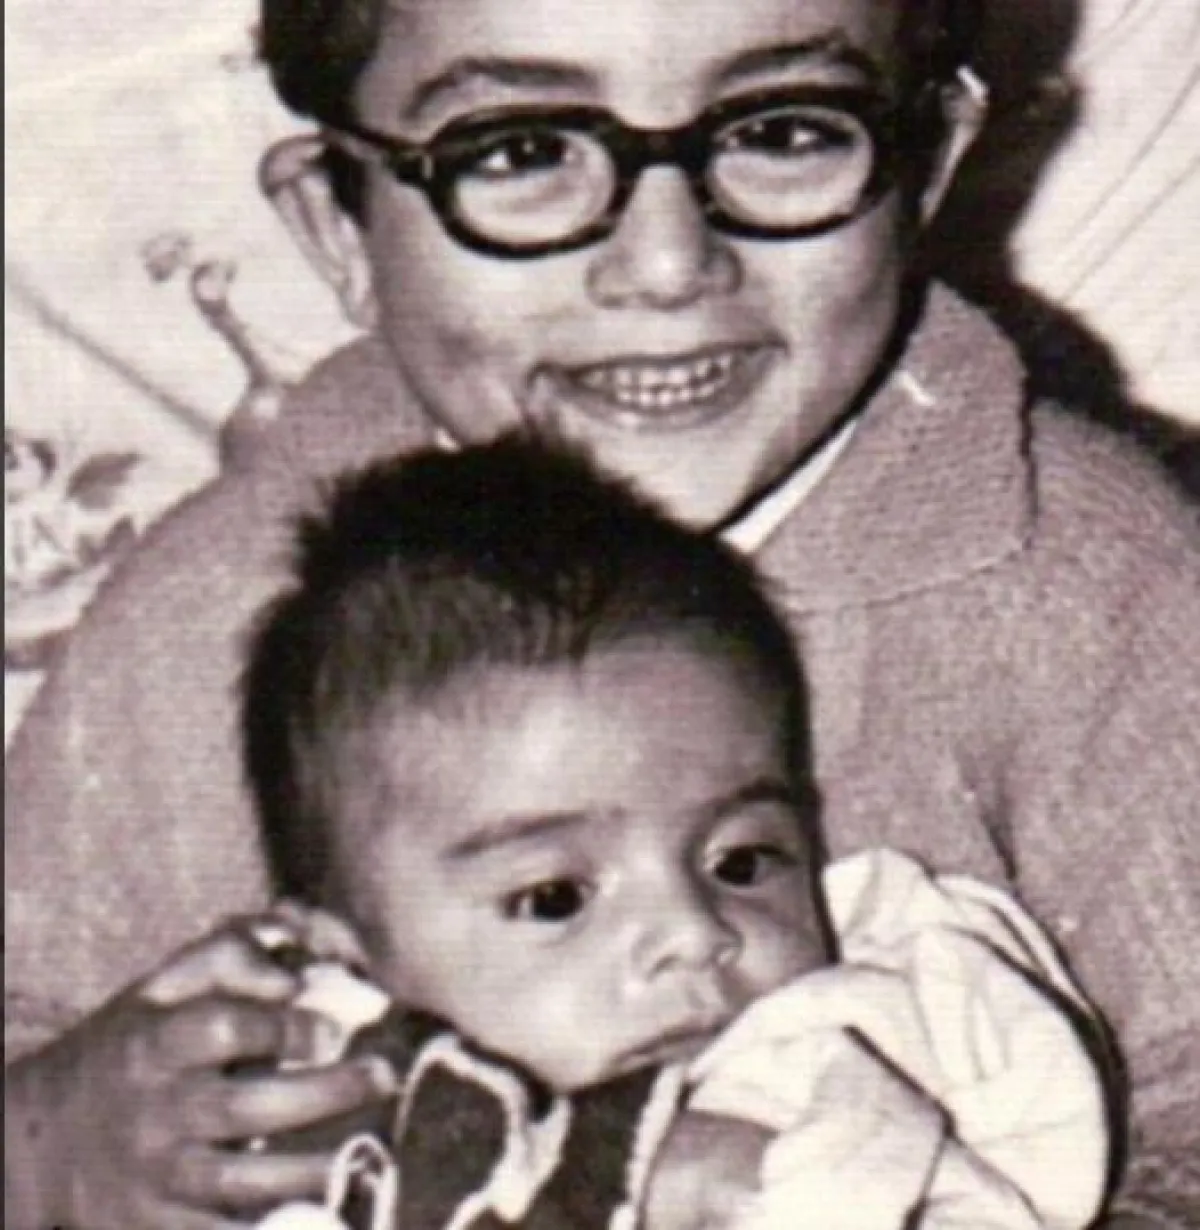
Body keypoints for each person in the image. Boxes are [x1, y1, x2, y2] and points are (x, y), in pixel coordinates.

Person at [4, 0, 1198, 1224]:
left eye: (783, 131)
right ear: (337, 225)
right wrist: (46, 1133)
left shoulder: (1087, 579)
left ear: (927, 163)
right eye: (521, 151)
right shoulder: (220, 604)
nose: (668, 266)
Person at [240, 435, 1106, 1229]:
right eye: (556, 897)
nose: (695, 934)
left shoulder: (893, 1036)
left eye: (743, 862)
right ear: (345, 965)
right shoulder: (316, 1145)